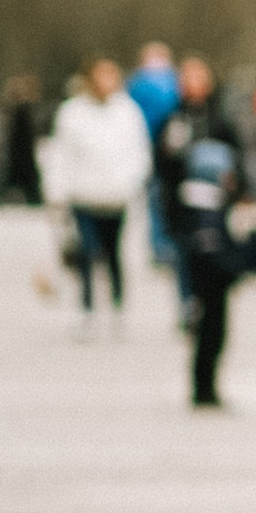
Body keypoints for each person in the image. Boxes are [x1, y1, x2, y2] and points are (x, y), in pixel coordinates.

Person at [155, 65, 256, 407]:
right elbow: (163, 173)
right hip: (188, 225)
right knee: (197, 300)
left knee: (218, 306)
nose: (194, 85)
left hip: (219, 224)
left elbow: (241, 169)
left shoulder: (221, 123)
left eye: (200, 78)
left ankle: (209, 381)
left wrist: (241, 196)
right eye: (188, 79)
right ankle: (199, 379)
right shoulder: (174, 123)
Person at [45, 57, 156, 318]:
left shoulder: (128, 112)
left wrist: (131, 182)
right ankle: (87, 307)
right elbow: (60, 155)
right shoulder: (72, 113)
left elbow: (139, 153)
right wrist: (56, 192)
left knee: (113, 252)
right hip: (83, 195)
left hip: (116, 197)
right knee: (85, 251)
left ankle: (117, 303)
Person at [125, 43, 181, 273]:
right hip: (169, 151)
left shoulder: (136, 84)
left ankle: (160, 247)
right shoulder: (175, 82)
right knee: (167, 199)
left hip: (148, 149)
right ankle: (169, 245)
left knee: (155, 200)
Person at [0, 76, 43, 207]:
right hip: (22, 155)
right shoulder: (22, 111)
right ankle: (33, 199)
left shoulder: (19, 111)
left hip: (21, 154)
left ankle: (32, 198)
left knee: (18, 177)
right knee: (22, 178)